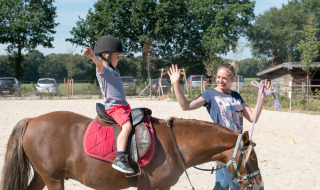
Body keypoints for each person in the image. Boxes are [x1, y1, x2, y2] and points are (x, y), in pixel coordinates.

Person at [168, 62, 271, 190]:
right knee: (235, 185)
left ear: (232, 79)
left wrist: (261, 97)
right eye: (218, 77)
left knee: (222, 185)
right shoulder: (210, 94)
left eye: (224, 78)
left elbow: (252, 117)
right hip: (223, 149)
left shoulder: (236, 96)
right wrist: (175, 83)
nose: (220, 81)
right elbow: (186, 106)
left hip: (237, 148)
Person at [83, 35, 134, 174]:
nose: (119, 58)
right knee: (127, 126)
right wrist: (93, 56)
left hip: (124, 106)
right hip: (114, 107)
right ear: (107, 56)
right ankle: (120, 159)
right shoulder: (103, 70)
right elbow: (99, 64)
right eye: (117, 55)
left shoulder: (115, 71)